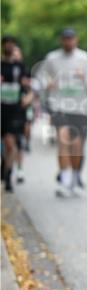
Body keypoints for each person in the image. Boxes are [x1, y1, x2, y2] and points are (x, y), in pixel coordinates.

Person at [38, 28, 87, 197]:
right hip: (60, 107)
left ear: (76, 40)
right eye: (65, 39)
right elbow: (41, 77)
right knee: (63, 140)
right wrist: (47, 84)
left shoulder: (85, 58)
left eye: (71, 39)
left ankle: (75, 177)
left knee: (77, 145)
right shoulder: (52, 58)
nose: (68, 42)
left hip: (81, 108)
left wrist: (83, 78)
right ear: (61, 40)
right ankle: (64, 180)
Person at [1, 37, 33, 192]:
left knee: (10, 143)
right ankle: (4, 166)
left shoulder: (20, 67)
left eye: (12, 44)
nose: (9, 47)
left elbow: (29, 88)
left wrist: (28, 98)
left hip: (14, 110)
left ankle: (8, 175)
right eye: (7, 44)